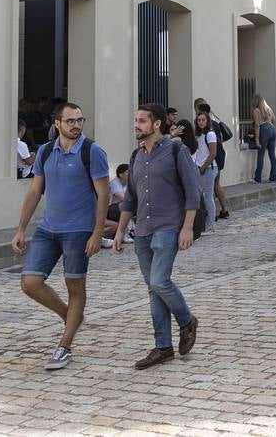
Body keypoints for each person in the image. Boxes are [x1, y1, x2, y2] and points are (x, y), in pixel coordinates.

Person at [10, 102, 110, 371]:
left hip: (78, 231)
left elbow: (104, 195)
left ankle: (64, 346)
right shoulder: (44, 151)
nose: (76, 125)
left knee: (75, 286)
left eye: (80, 120)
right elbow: (34, 191)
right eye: (70, 121)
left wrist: (97, 233)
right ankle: (70, 317)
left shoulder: (92, 151)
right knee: (30, 283)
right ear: (57, 124)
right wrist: (21, 228)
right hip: (47, 229)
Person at [112, 103, 201, 369]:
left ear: (157, 123)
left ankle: (187, 321)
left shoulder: (176, 151)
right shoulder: (136, 156)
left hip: (168, 227)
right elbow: (130, 198)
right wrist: (120, 231)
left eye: (142, 121)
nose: (136, 125)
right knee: (153, 289)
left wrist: (187, 228)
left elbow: (192, 192)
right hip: (142, 231)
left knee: (159, 282)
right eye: (136, 120)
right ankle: (163, 347)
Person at [192, 111, 219, 221]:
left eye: (203, 120)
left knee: (208, 197)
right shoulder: (199, 135)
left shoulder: (210, 134)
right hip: (200, 167)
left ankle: (211, 222)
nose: (201, 122)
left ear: (207, 121)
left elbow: (213, 153)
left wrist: (203, 167)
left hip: (208, 168)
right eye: (199, 120)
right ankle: (205, 220)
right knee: (202, 196)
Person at [251, 94, 276, 183]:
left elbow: (257, 125)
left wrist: (257, 140)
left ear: (255, 101)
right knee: (272, 154)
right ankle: (273, 177)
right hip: (272, 129)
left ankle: (257, 178)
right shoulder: (268, 109)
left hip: (264, 129)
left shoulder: (256, 110)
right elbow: (274, 120)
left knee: (261, 154)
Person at [103, 163, 130, 243]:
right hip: (109, 210)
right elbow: (122, 198)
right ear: (121, 174)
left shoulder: (129, 183)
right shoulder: (114, 182)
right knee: (125, 205)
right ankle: (125, 233)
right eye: (127, 172)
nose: (130, 174)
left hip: (118, 209)